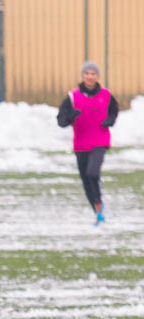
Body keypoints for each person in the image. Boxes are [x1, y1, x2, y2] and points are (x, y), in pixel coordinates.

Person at [56, 61, 118, 225]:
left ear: (97, 76)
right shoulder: (72, 97)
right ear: (82, 76)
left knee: (92, 173)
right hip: (81, 144)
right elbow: (61, 121)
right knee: (85, 180)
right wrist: (71, 117)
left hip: (100, 141)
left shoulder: (106, 95)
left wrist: (109, 121)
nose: (90, 77)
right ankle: (98, 212)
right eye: (87, 73)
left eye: (93, 74)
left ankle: (98, 201)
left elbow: (114, 111)